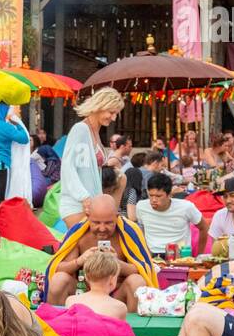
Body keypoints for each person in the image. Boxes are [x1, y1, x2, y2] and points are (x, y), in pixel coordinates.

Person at [45, 194, 152, 312]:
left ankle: (131, 328)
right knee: (58, 280)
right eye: (96, 222)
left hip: (117, 296)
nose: (102, 228)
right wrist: (79, 261)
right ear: (88, 216)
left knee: (137, 282)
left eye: (108, 223)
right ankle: (57, 326)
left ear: (117, 217)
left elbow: (143, 269)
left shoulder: (129, 232)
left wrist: (117, 263)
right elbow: (57, 268)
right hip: (84, 293)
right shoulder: (78, 234)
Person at [59, 88, 125, 227]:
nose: (113, 118)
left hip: (90, 203)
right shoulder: (81, 129)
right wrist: (84, 197)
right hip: (78, 204)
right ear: (99, 107)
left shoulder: (94, 132)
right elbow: (68, 167)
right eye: (111, 112)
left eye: (115, 114)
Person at [135, 173, 208, 257]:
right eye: (151, 195)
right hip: (152, 254)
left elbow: (204, 227)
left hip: (180, 255)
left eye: (158, 196)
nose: (153, 200)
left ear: (169, 195)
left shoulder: (186, 207)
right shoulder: (141, 206)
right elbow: (142, 230)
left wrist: (200, 255)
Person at [63, 248, 129, 320]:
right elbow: (122, 330)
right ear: (112, 280)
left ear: (86, 277)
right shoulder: (120, 307)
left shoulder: (71, 301)